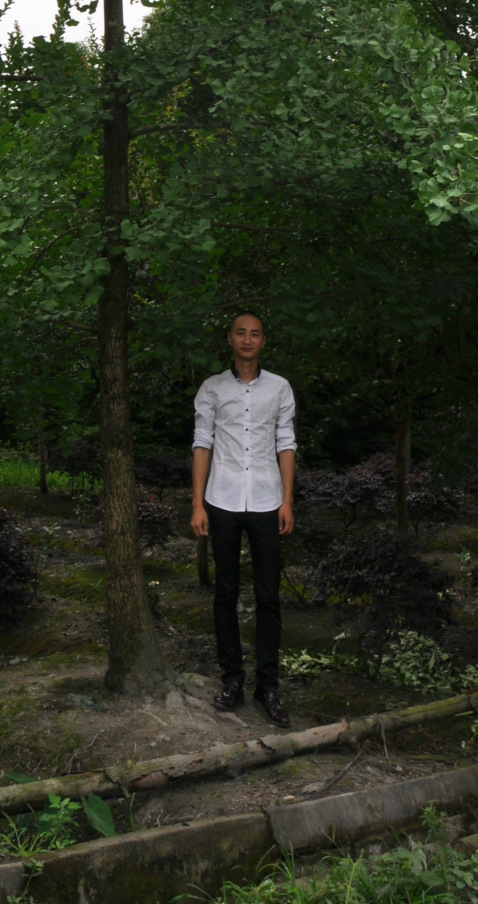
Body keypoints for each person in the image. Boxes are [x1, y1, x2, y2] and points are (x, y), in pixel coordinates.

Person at [191, 311, 295, 728]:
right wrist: (198, 504)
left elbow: (286, 442)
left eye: (255, 334)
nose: (247, 339)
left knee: (269, 597)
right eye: (240, 332)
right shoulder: (212, 389)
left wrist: (287, 501)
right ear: (230, 339)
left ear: (263, 341)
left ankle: (267, 687)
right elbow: (203, 443)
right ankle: (232, 679)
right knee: (226, 593)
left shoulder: (280, 388)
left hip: (269, 501)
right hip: (223, 500)